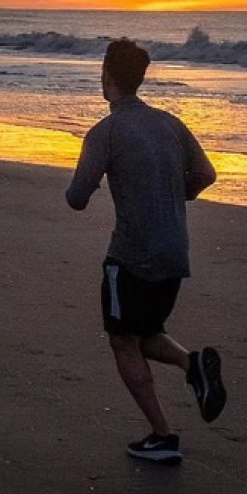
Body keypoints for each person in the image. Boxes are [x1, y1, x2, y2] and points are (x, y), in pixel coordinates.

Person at [66, 38, 224, 464]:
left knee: (122, 340)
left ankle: (162, 435)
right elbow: (207, 173)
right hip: (175, 253)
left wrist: (100, 176)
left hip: (133, 256)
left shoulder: (106, 132)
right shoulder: (170, 123)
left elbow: (77, 197)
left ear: (106, 77)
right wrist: (173, 193)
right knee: (146, 331)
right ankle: (193, 366)